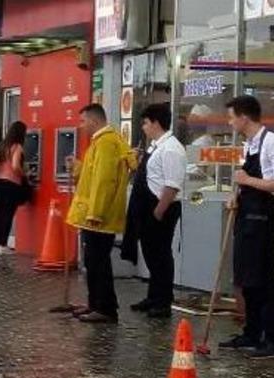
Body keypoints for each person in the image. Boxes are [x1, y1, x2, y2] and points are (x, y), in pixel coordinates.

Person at [219, 95, 274, 358]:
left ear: (244, 117)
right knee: (246, 279)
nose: (230, 122)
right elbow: (247, 182)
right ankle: (251, 332)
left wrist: (248, 180)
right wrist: (237, 194)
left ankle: (271, 339)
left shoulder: (271, 143)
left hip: (265, 222)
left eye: (231, 117)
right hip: (246, 221)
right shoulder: (249, 145)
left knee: (263, 281)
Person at [66, 104, 136, 323]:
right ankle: (95, 303)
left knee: (98, 262)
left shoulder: (105, 143)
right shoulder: (102, 142)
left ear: (94, 121)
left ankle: (104, 308)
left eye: (83, 121)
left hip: (98, 218)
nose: (81, 126)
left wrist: (95, 213)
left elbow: (104, 181)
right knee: (93, 260)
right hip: (96, 217)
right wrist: (77, 168)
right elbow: (92, 175)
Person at [121, 103, 186, 319]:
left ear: (156, 123)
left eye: (146, 123)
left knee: (161, 256)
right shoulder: (155, 146)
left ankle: (163, 301)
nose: (144, 127)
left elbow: (172, 184)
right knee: (150, 253)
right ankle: (153, 295)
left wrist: (159, 212)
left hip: (161, 208)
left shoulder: (172, 148)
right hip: (147, 208)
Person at [0, 121, 29, 255]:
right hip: (10, 184)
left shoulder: (1, 146)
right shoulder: (17, 147)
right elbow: (15, 166)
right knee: (7, 214)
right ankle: (2, 244)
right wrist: (25, 174)